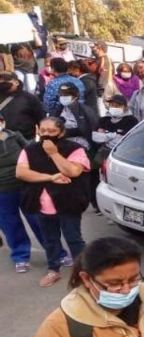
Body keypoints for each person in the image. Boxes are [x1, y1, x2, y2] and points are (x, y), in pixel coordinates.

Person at [16, 117, 90, 287]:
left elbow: (72, 171)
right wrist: (50, 177)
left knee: (74, 239)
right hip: (41, 205)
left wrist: (53, 153)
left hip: (69, 203)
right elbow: (21, 173)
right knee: (50, 240)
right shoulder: (30, 149)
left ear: (62, 132)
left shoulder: (75, 149)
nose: (46, 135)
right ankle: (53, 270)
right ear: (37, 130)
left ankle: (84, 272)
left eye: (52, 131)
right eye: (43, 131)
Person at [0, 113, 35, 273]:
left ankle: (55, 252)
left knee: (37, 219)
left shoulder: (15, 136)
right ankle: (21, 257)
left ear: (3, 121)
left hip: (24, 184)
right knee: (10, 224)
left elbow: (31, 152)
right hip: (3, 190)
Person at [0, 71, 45, 140]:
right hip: (3, 141)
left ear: (16, 82)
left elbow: (41, 118)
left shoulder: (29, 98)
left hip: (26, 139)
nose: (2, 84)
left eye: (5, 81)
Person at [55, 84, 98, 154]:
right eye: (61, 94)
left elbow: (89, 130)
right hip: (61, 144)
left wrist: (65, 132)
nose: (63, 97)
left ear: (75, 96)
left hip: (80, 144)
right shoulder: (59, 109)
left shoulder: (85, 110)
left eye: (66, 95)